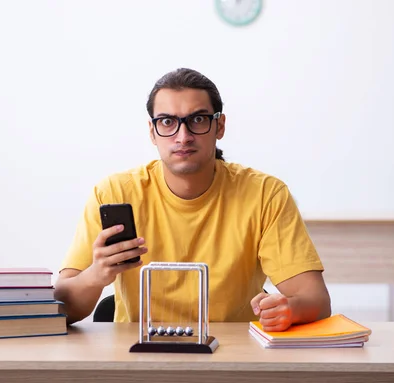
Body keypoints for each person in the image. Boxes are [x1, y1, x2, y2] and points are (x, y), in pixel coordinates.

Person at [54, 67, 331, 331]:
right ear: (152, 132)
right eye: (167, 122)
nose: (182, 136)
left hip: (234, 358)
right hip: (137, 359)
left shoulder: (265, 195)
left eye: (197, 120)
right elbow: (61, 308)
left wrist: (290, 309)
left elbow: (316, 300)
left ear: (219, 126)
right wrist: (96, 274)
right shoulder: (113, 193)